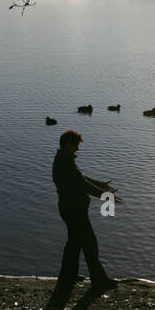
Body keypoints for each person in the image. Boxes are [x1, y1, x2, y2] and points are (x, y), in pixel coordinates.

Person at [51, 129, 118, 301]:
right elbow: (81, 184)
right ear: (68, 143)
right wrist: (107, 197)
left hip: (68, 208)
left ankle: (68, 276)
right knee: (90, 244)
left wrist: (101, 185)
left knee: (74, 243)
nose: (78, 149)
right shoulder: (65, 161)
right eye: (76, 145)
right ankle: (99, 280)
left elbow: (81, 178)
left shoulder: (64, 159)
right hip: (74, 210)